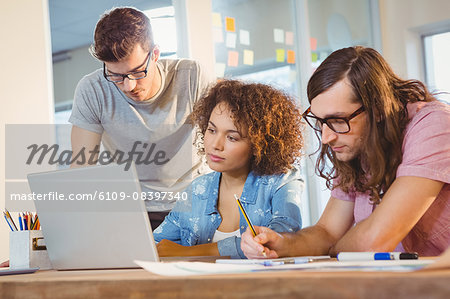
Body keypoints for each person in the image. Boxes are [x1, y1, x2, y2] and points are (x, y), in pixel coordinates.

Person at [241, 46, 450, 259]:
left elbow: (375, 240)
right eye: (321, 121)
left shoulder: (433, 125)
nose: (326, 137)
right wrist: (281, 243)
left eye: (337, 121)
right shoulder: (357, 144)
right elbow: (327, 232)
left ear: (377, 109)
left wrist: (330, 249)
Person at [68, 7, 212, 229]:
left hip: (194, 203)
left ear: (155, 54)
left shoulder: (191, 75)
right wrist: (50, 238)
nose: (128, 86)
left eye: (137, 72)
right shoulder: (92, 89)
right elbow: (81, 168)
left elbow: (221, 143)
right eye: (115, 75)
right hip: (133, 209)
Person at [153, 80, 304, 258]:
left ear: (260, 144)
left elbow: (277, 242)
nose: (216, 145)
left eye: (232, 137)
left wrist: (189, 253)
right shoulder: (197, 189)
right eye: (211, 130)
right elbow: (157, 244)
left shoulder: (281, 183)